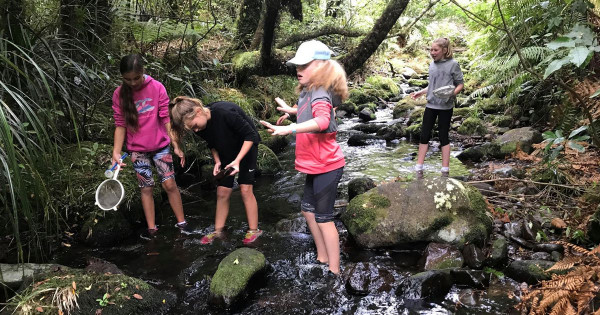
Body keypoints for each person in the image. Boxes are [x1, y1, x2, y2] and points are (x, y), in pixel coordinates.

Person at [260, 40, 347, 275]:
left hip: (327, 165)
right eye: (297, 65)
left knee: (324, 218)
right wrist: (292, 112)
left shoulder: (319, 92)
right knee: (308, 212)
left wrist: (289, 129)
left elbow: (322, 121)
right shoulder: (310, 90)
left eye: (304, 65)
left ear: (321, 66)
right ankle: (321, 256)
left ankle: (335, 270)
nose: (298, 69)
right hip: (318, 165)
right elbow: (311, 112)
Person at [111, 54, 189, 239]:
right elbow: (120, 124)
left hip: (160, 146)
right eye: (127, 79)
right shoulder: (119, 94)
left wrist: (175, 144)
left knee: (169, 184)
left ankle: (182, 224)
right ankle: (152, 229)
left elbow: (165, 119)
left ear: (143, 72)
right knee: (146, 188)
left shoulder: (157, 87)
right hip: (137, 150)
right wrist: (116, 152)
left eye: (136, 78)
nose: (132, 83)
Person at [169, 96, 262, 245]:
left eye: (194, 126)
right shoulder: (200, 125)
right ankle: (218, 230)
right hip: (226, 150)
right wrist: (217, 161)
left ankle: (254, 229)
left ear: (199, 111)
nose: (195, 130)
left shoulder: (225, 113)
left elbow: (250, 135)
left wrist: (238, 161)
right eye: (192, 129)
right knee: (222, 191)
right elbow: (211, 143)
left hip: (246, 146)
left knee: (245, 189)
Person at [410, 37, 464, 179]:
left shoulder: (453, 64)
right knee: (424, 135)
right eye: (431, 50)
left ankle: (445, 169)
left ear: (444, 50)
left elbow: (460, 84)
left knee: (443, 136)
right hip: (431, 105)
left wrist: (452, 94)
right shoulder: (432, 65)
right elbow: (433, 86)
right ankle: (419, 167)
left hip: (445, 106)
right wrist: (420, 92)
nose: (432, 52)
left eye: (435, 50)